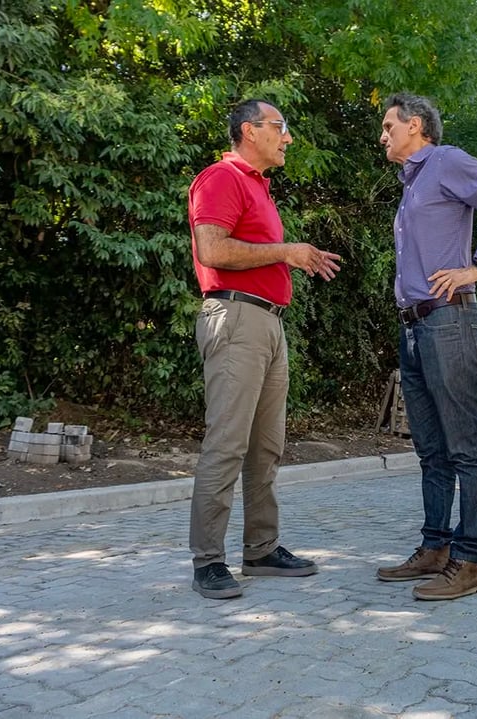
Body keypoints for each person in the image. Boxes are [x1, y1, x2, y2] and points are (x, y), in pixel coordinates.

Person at [187, 99, 341, 599]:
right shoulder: (221, 178)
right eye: (280, 126)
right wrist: (286, 251)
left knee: (266, 446)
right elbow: (212, 249)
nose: (287, 137)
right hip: (236, 318)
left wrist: (292, 255)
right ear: (250, 131)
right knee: (227, 443)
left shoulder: (258, 187)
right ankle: (208, 561)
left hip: (268, 323)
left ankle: (261, 548)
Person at [375, 93, 477, 600]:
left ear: (416, 125)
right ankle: (435, 548)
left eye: (389, 126)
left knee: (465, 446)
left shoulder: (445, 161)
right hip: (414, 326)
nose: (382, 136)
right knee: (431, 449)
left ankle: (468, 561)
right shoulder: (413, 182)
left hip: (448, 320)